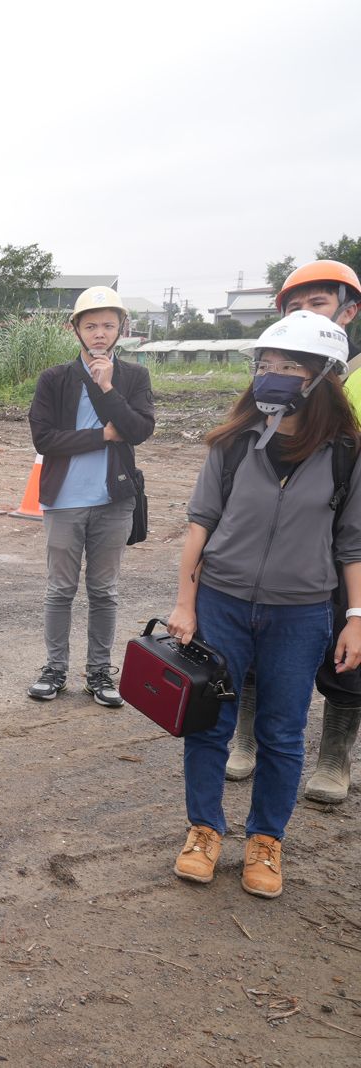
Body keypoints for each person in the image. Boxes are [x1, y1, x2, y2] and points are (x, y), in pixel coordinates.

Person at [167, 311, 361, 899]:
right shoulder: (232, 444)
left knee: (281, 732)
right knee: (209, 724)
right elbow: (200, 523)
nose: (271, 375)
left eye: (288, 366)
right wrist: (185, 602)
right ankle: (203, 830)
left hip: (301, 613)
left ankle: (265, 841)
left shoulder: (348, 455)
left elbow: (351, 542)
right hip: (222, 602)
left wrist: (355, 617)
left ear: (322, 375)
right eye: (265, 364)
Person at [226, 260, 361, 802]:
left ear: (348, 312)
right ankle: (247, 739)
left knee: (346, 651)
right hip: (277, 542)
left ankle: (334, 756)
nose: (305, 315)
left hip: (344, 537)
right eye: (295, 307)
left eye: (319, 304)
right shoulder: (278, 376)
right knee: (258, 644)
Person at [26, 287, 155, 706]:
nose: (100, 334)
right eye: (91, 325)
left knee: (104, 590)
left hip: (114, 499)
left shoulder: (133, 376)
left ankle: (99, 673)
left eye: (108, 325)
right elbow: (44, 439)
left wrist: (107, 388)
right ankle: (55, 669)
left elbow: (139, 430)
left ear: (121, 329)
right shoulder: (55, 378)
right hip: (64, 499)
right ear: (76, 329)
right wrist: (101, 434)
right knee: (60, 590)